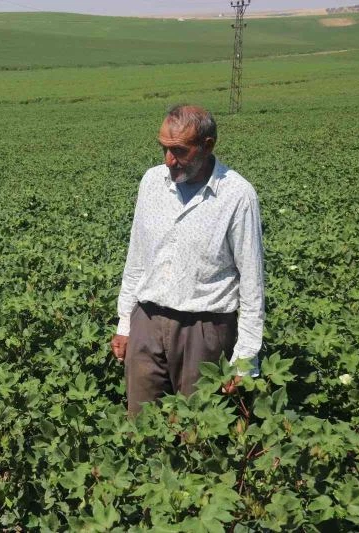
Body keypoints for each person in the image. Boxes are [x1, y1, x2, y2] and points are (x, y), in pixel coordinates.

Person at [110, 104, 265, 416]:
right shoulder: (151, 182)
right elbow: (137, 258)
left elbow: (252, 284)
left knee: (198, 433)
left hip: (204, 330)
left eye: (179, 151)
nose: (169, 160)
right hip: (147, 322)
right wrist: (126, 323)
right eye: (164, 149)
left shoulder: (237, 195)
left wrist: (245, 360)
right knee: (140, 426)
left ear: (207, 146)